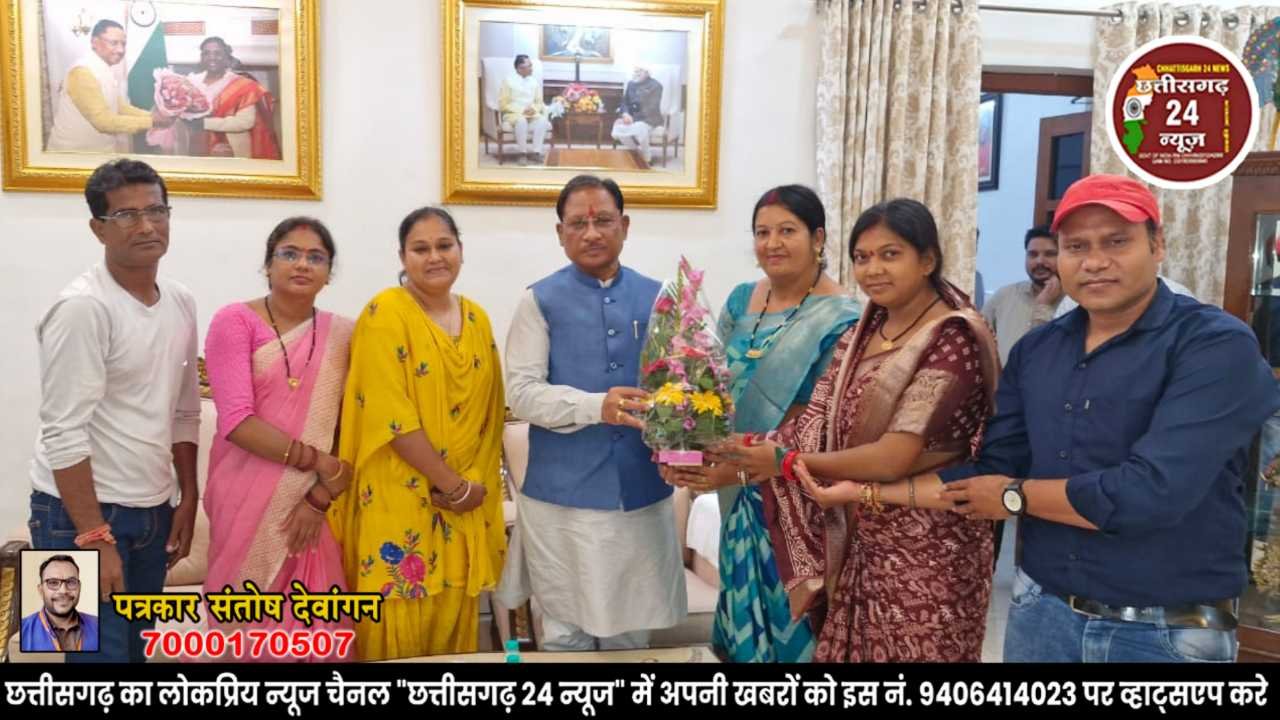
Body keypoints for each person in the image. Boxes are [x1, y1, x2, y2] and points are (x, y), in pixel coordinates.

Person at [933, 174, 1280, 663]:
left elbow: (1150, 494)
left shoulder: (1214, 344)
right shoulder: (1037, 349)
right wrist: (867, 486)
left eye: (1116, 242)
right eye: (1076, 246)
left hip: (1166, 630)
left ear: (1157, 245)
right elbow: (998, 462)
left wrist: (1014, 495)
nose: (1094, 262)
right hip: (1042, 611)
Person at [716, 198, 1000, 662]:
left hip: (928, 545)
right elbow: (815, 424)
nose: (873, 269)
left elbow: (893, 457)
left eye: (890, 254)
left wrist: (785, 462)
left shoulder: (952, 338)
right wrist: (739, 455)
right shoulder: (864, 333)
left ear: (927, 260)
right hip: (857, 532)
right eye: (862, 257)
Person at [661, 185, 859, 662]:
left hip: (797, 494)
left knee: (794, 628)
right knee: (743, 622)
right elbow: (707, 384)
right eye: (762, 232)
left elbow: (823, 419)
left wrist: (741, 467)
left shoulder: (844, 317)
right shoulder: (740, 300)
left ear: (818, 238)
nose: (772, 243)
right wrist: (682, 448)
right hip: (737, 491)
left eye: (787, 231)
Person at [500, 175, 687, 651]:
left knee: (631, 636)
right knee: (565, 636)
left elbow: (687, 389)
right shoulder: (537, 300)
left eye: (603, 220)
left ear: (625, 226)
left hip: (639, 496)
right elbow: (522, 394)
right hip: (561, 501)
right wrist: (594, 406)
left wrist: (688, 453)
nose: (591, 233)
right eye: (577, 224)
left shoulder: (661, 297)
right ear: (559, 232)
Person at [28, 159, 200, 663]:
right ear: (98, 229)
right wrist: (93, 537)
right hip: (72, 516)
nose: (146, 226)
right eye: (126, 215)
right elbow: (62, 431)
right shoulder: (82, 308)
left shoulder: (181, 300)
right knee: (89, 667)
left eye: (156, 211)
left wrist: (187, 497)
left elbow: (184, 410)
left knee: (135, 660)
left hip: (152, 510)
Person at [331, 207, 506, 660]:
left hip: (462, 502)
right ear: (402, 257)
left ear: (461, 250)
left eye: (444, 246)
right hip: (399, 494)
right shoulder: (385, 313)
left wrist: (471, 486)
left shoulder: (477, 319)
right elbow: (391, 418)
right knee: (398, 626)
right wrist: (454, 486)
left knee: (452, 631)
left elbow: (490, 415)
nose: (434, 257)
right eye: (420, 248)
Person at [202, 217, 353, 660]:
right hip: (241, 496)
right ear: (268, 265)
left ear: (328, 273)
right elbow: (237, 421)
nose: (302, 264)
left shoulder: (344, 335)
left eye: (316, 257)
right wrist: (317, 462)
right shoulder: (234, 321)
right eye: (289, 253)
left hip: (310, 505)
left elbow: (349, 428)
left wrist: (319, 499)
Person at [47, 20, 173, 152]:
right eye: (114, 43)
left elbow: (120, 107)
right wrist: (152, 122)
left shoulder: (103, 68)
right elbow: (103, 122)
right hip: (73, 154)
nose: (121, 50)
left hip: (96, 151)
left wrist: (152, 116)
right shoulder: (82, 72)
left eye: (123, 44)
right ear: (94, 42)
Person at [181, 37, 281, 159]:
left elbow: (245, 122)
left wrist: (203, 123)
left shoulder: (244, 85)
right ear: (202, 58)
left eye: (217, 53)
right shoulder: (191, 82)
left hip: (231, 149)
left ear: (227, 58)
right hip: (196, 147)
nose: (212, 57)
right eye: (206, 53)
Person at [983, 225, 1063, 368]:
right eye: (1033, 254)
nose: (1039, 261)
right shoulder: (1005, 296)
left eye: (1049, 254)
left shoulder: (1074, 301)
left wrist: (1043, 306)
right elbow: (978, 338)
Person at [20, 555, 99, 653]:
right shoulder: (21, 632)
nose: (63, 591)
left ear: (79, 587)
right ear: (41, 590)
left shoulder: (101, 626)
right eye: (53, 583)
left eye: (71, 582)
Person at [498, 54, 551, 166]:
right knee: (521, 121)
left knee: (542, 120)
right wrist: (522, 110)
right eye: (529, 66)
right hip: (514, 115)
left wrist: (533, 109)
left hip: (532, 114)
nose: (532, 68)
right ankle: (522, 153)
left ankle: (536, 152)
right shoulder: (508, 81)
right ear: (520, 68)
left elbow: (539, 102)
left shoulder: (534, 81)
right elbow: (503, 104)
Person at [611, 66, 664, 163]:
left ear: (647, 73)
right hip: (631, 117)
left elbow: (652, 107)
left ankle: (647, 157)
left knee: (640, 127)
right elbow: (624, 102)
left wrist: (632, 119)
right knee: (618, 127)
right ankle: (635, 152)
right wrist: (625, 114)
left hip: (649, 119)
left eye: (640, 71)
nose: (637, 73)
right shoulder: (631, 84)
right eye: (635, 71)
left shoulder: (656, 86)